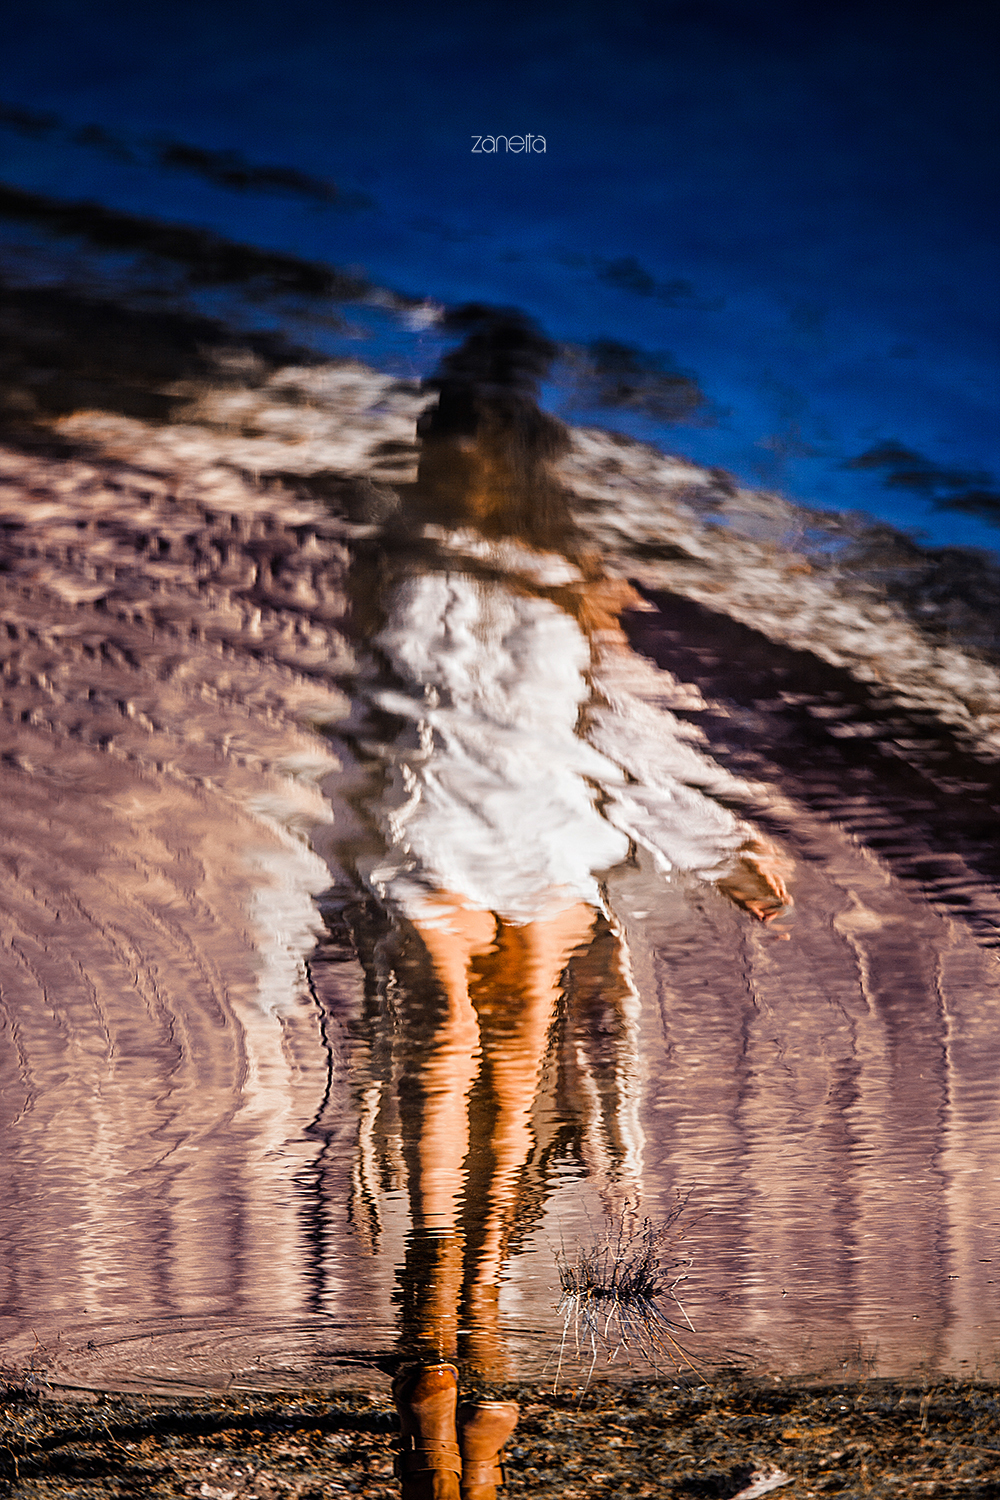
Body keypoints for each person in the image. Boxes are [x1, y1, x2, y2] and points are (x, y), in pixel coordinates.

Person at [330, 307, 792, 1495]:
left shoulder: (576, 578)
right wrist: (329, 848)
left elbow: (622, 729)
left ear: (517, 458)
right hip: (429, 829)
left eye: (478, 442)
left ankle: (475, 1290)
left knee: (516, 1059)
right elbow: (360, 716)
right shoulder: (387, 555)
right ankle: (434, 1304)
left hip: (542, 833)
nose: (461, 460)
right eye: (450, 441)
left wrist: (707, 841)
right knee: (442, 1042)